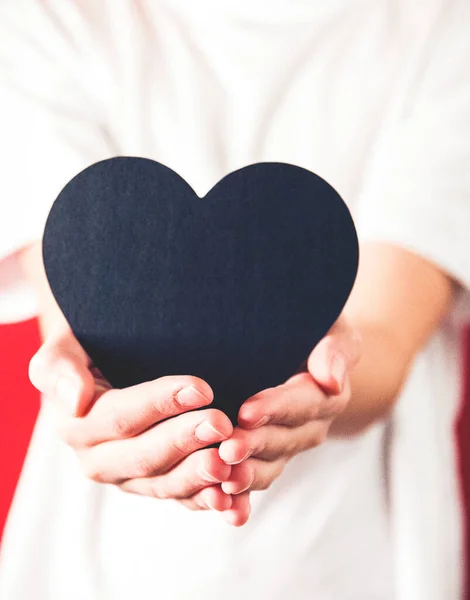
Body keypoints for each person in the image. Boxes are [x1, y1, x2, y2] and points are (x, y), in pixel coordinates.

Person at [0, 1, 469, 598]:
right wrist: (84, 381)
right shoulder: (47, 16)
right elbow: (86, 292)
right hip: (93, 568)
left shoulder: (446, 26)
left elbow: (382, 333)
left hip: (363, 564)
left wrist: (321, 384)